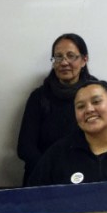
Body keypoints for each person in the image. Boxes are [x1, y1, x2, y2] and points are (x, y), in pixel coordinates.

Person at [16, 33, 95, 185]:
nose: (64, 62)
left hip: (86, 177)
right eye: (58, 57)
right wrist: (52, 170)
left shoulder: (96, 95)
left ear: (84, 60)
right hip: (43, 177)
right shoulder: (39, 97)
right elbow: (25, 147)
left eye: (71, 56)